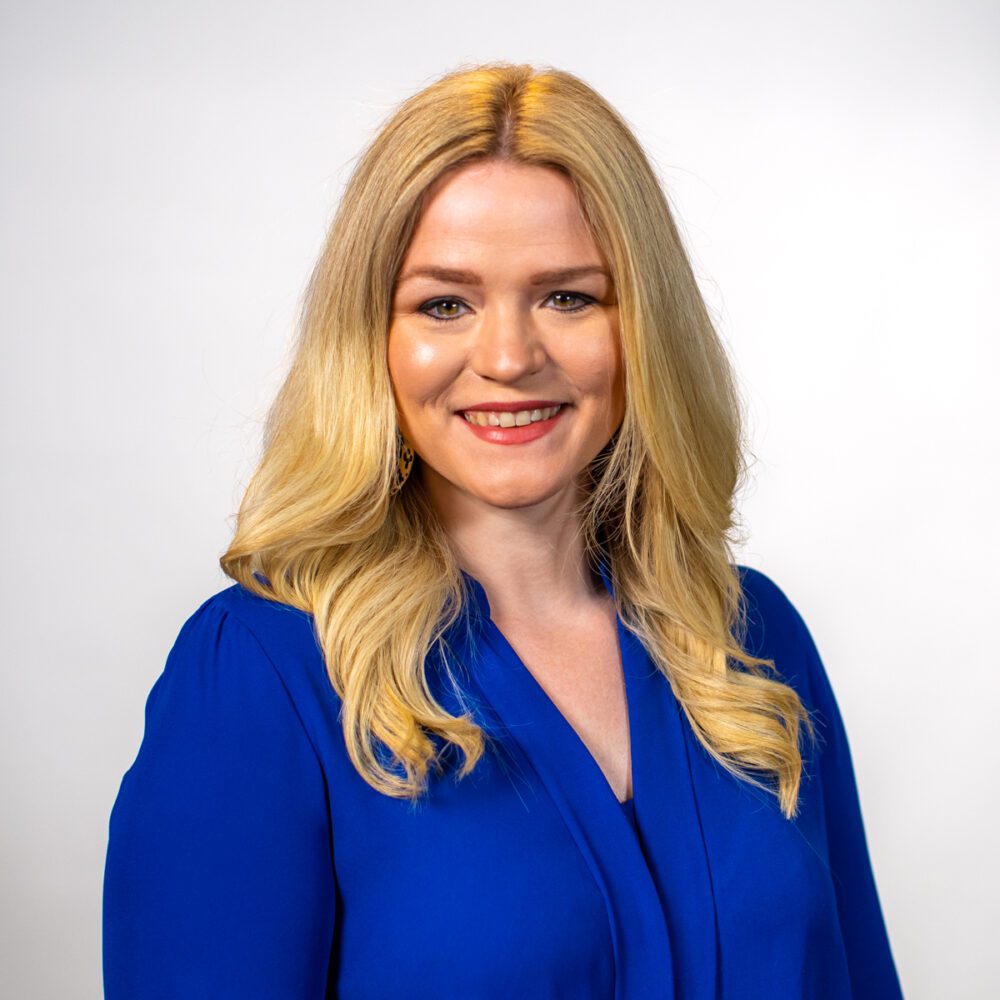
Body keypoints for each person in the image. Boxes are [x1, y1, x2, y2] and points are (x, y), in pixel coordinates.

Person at [102, 62, 903, 999]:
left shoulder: (751, 640)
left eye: (568, 296)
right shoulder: (258, 676)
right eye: (445, 304)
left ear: (643, 326)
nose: (510, 357)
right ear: (371, 338)